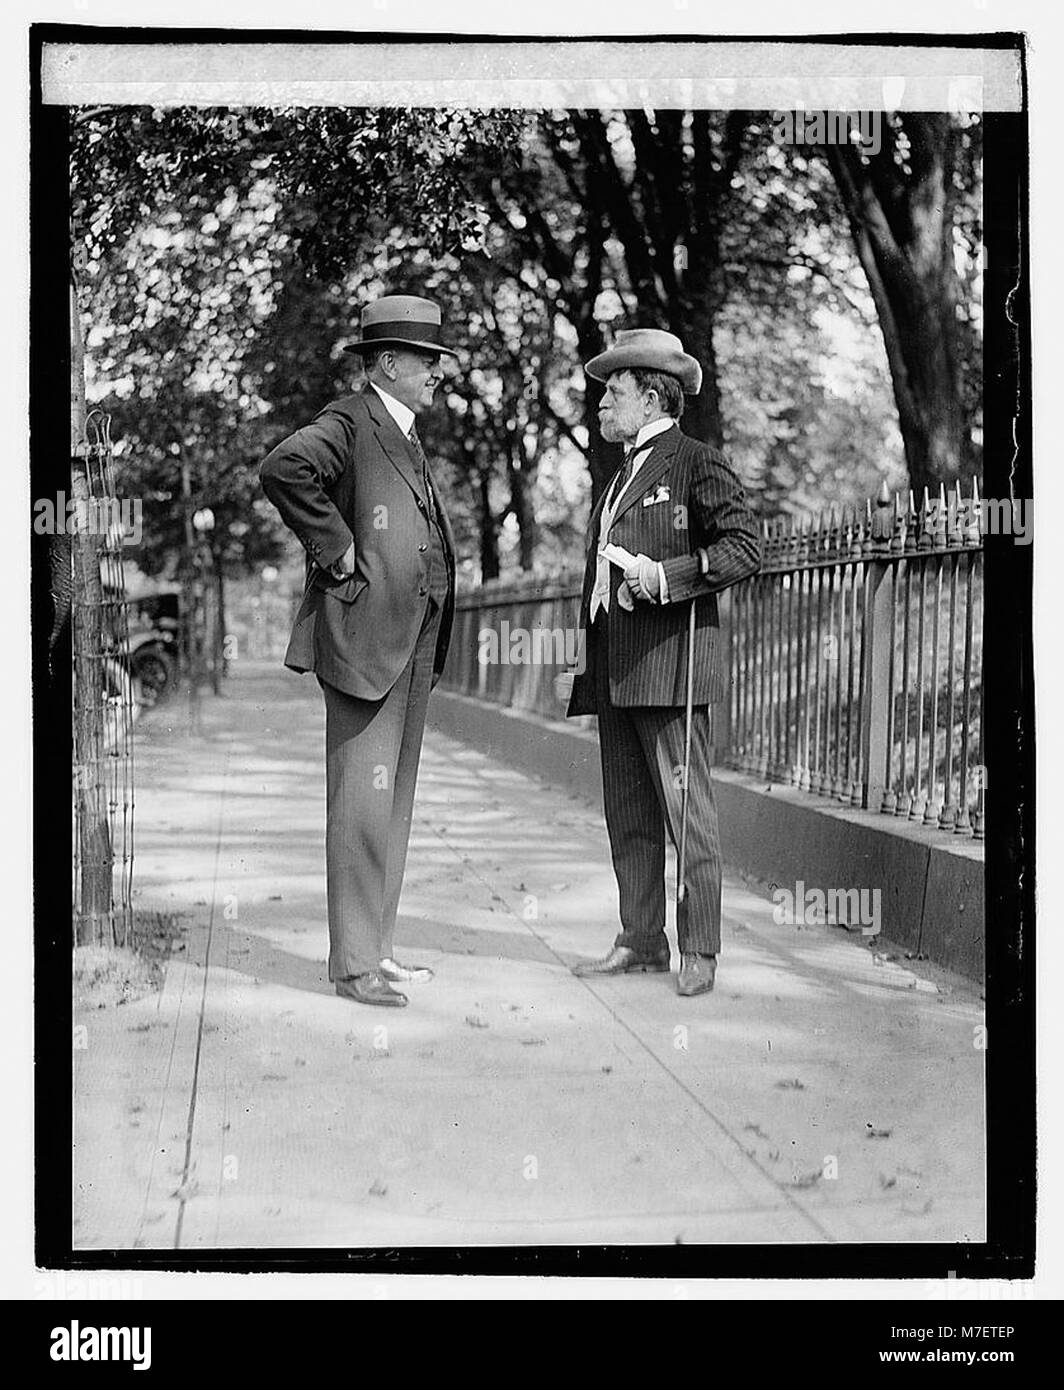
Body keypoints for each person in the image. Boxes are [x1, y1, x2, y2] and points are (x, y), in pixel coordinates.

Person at [260, 294, 457, 1008]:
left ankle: (377, 950)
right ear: (388, 363)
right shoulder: (351, 419)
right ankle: (352, 968)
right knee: (359, 804)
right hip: (367, 639)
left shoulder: (401, 430)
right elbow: (284, 468)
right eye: (428, 360)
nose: (438, 372)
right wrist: (337, 548)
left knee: (391, 803)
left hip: (411, 635)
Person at [566, 329, 761, 996]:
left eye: (613, 393)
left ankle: (699, 949)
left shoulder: (694, 462)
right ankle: (642, 939)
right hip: (617, 671)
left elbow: (743, 546)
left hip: (672, 669)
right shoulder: (621, 472)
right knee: (629, 815)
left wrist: (668, 578)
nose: (601, 405)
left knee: (687, 816)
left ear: (652, 397)